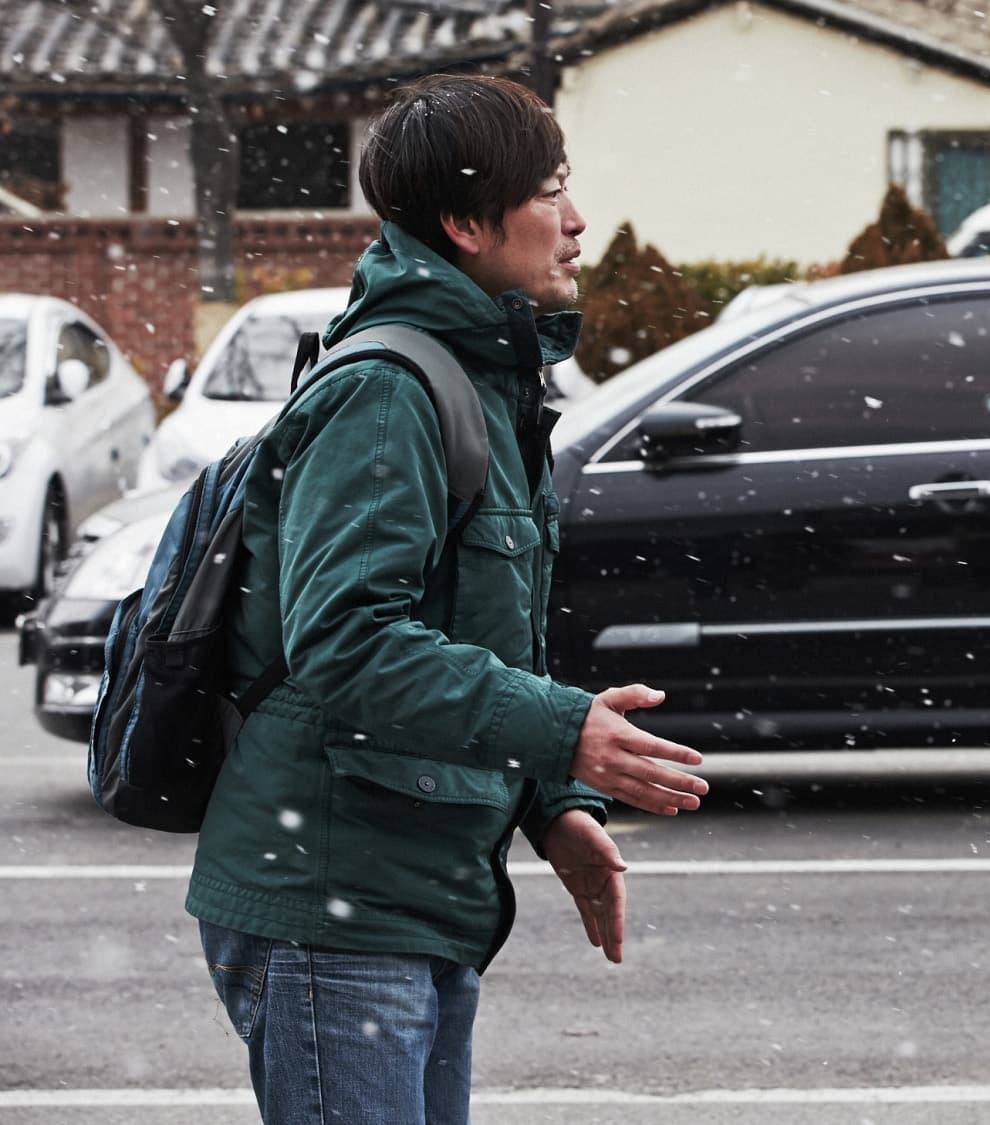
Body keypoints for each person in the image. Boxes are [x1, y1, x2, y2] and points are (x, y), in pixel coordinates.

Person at [185, 74, 709, 1125]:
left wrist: (553, 805)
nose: (577, 220)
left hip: (413, 893)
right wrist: (565, 729)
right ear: (466, 225)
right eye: (549, 193)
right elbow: (350, 643)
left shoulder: (483, 382)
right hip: (334, 902)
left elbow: (478, 633)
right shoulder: (386, 392)